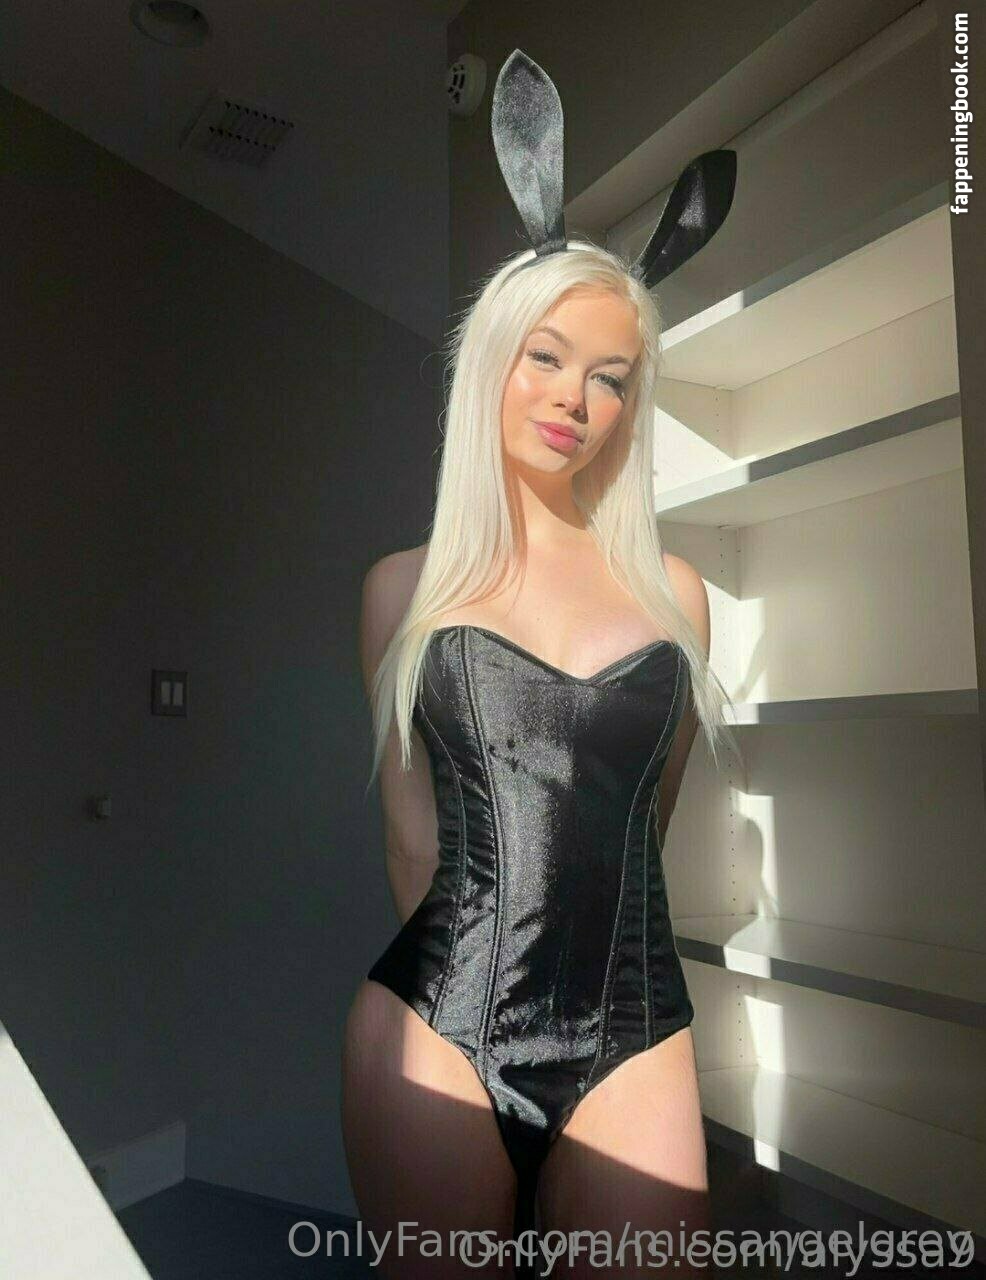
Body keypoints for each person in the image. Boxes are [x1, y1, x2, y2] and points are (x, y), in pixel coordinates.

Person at [341, 51, 738, 1279]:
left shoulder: (675, 598)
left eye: (610, 378)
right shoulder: (404, 589)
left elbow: (643, 824)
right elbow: (412, 843)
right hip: (439, 1024)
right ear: (493, 361)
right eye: (548, 356)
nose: (576, 398)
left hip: (633, 1027)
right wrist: (462, 1028)